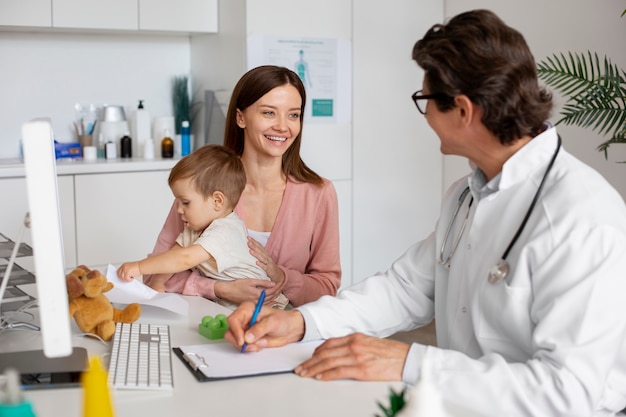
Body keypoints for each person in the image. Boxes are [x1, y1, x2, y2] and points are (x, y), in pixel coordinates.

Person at [225, 10, 626, 417]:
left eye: (427, 101)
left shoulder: (582, 215)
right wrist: (302, 324)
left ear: (464, 110)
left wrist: (409, 362)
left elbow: (568, 393)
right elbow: (406, 288)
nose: (426, 116)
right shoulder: (467, 195)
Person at [144, 65, 341, 308]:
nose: (283, 126)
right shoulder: (203, 185)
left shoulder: (319, 194)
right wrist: (220, 289)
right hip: (211, 333)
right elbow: (155, 273)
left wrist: (283, 278)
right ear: (240, 117)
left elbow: (327, 285)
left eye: (293, 115)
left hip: (285, 336)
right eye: (269, 113)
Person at [117, 145, 289, 310]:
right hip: (230, 307)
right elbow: (172, 257)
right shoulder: (194, 228)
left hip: (267, 307)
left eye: (185, 202)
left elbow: (184, 259)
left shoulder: (225, 231)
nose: (178, 210)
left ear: (217, 201)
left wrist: (139, 267)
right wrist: (156, 286)